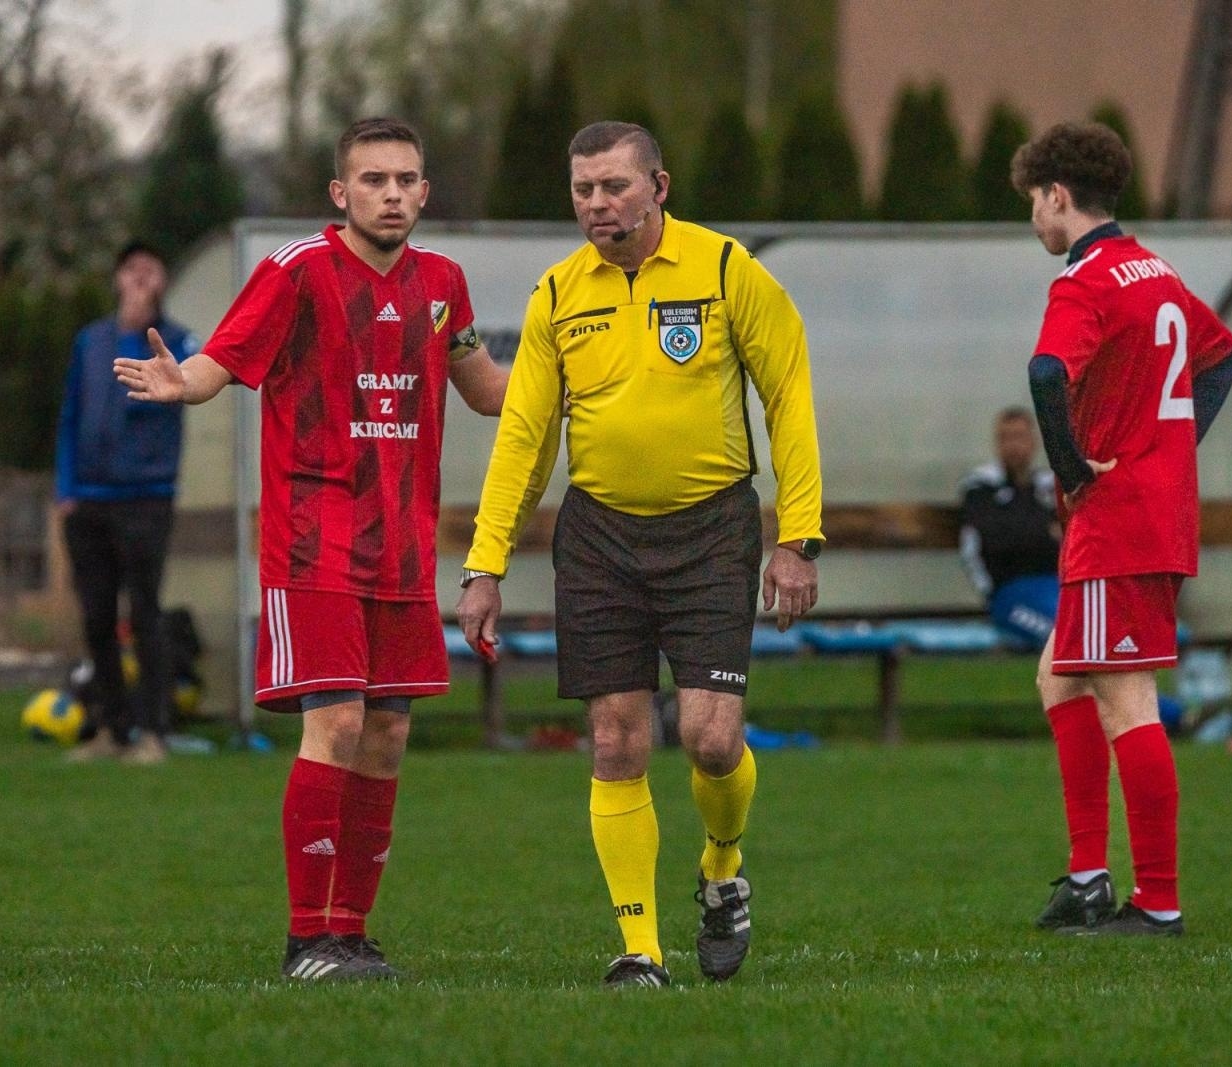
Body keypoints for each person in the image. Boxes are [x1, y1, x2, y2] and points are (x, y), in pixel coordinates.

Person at [113, 118, 507, 980]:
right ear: (341, 193)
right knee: (335, 722)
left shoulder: (444, 284)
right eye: (374, 180)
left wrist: (590, 373)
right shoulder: (296, 272)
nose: (392, 193)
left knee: (389, 737)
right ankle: (306, 940)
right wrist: (187, 382)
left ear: (426, 191)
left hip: (403, 555)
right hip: (314, 547)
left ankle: (351, 931)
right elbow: (223, 358)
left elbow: (485, 391)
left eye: (406, 179)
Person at [455, 121, 823, 988]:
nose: (596, 204)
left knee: (709, 738)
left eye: (614, 186)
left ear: (659, 187)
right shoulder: (557, 294)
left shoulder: (729, 271)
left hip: (711, 530)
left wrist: (797, 538)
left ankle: (723, 870)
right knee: (616, 737)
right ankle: (639, 948)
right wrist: (486, 562)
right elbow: (523, 437)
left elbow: (790, 399)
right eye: (583, 189)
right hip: (601, 538)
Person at [1013, 122, 1232, 936]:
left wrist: (1075, 467)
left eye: (1033, 205)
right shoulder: (1155, 268)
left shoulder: (1086, 281)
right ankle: (1086, 879)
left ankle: (1158, 900)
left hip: (1119, 523)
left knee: (1126, 697)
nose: (1034, 220)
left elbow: (1045, 374)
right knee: (1059, 676)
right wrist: (1168, 451)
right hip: (1152, 512)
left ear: (1058, 196)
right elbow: (1225, 356)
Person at [56, 240, 196, 766]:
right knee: (96, 618)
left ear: (163, 282)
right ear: (116, 278)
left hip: (146, 499)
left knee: (145, 614)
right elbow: (71, 414)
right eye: (131, 270)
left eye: (151, 270)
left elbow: (173, 394)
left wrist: (143, 331)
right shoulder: (90, 342)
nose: (139, 279)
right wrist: (65, 490)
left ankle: (152, 732)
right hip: (88, 501)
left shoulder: (177, 340)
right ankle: (110, 729)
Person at [959, 407, 1061, 651]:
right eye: (1006, 438)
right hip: (1008, 595)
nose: (1014, 445)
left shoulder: (1048, 486)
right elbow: (989, 542)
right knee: (1063, 642)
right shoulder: (980, 487)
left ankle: (1148, 692)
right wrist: (1044, 533)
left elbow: (1071, 536)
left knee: (1098, 635)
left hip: (1057, 588)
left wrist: (1026, 532)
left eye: (1020, 437)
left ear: (1033, 441)